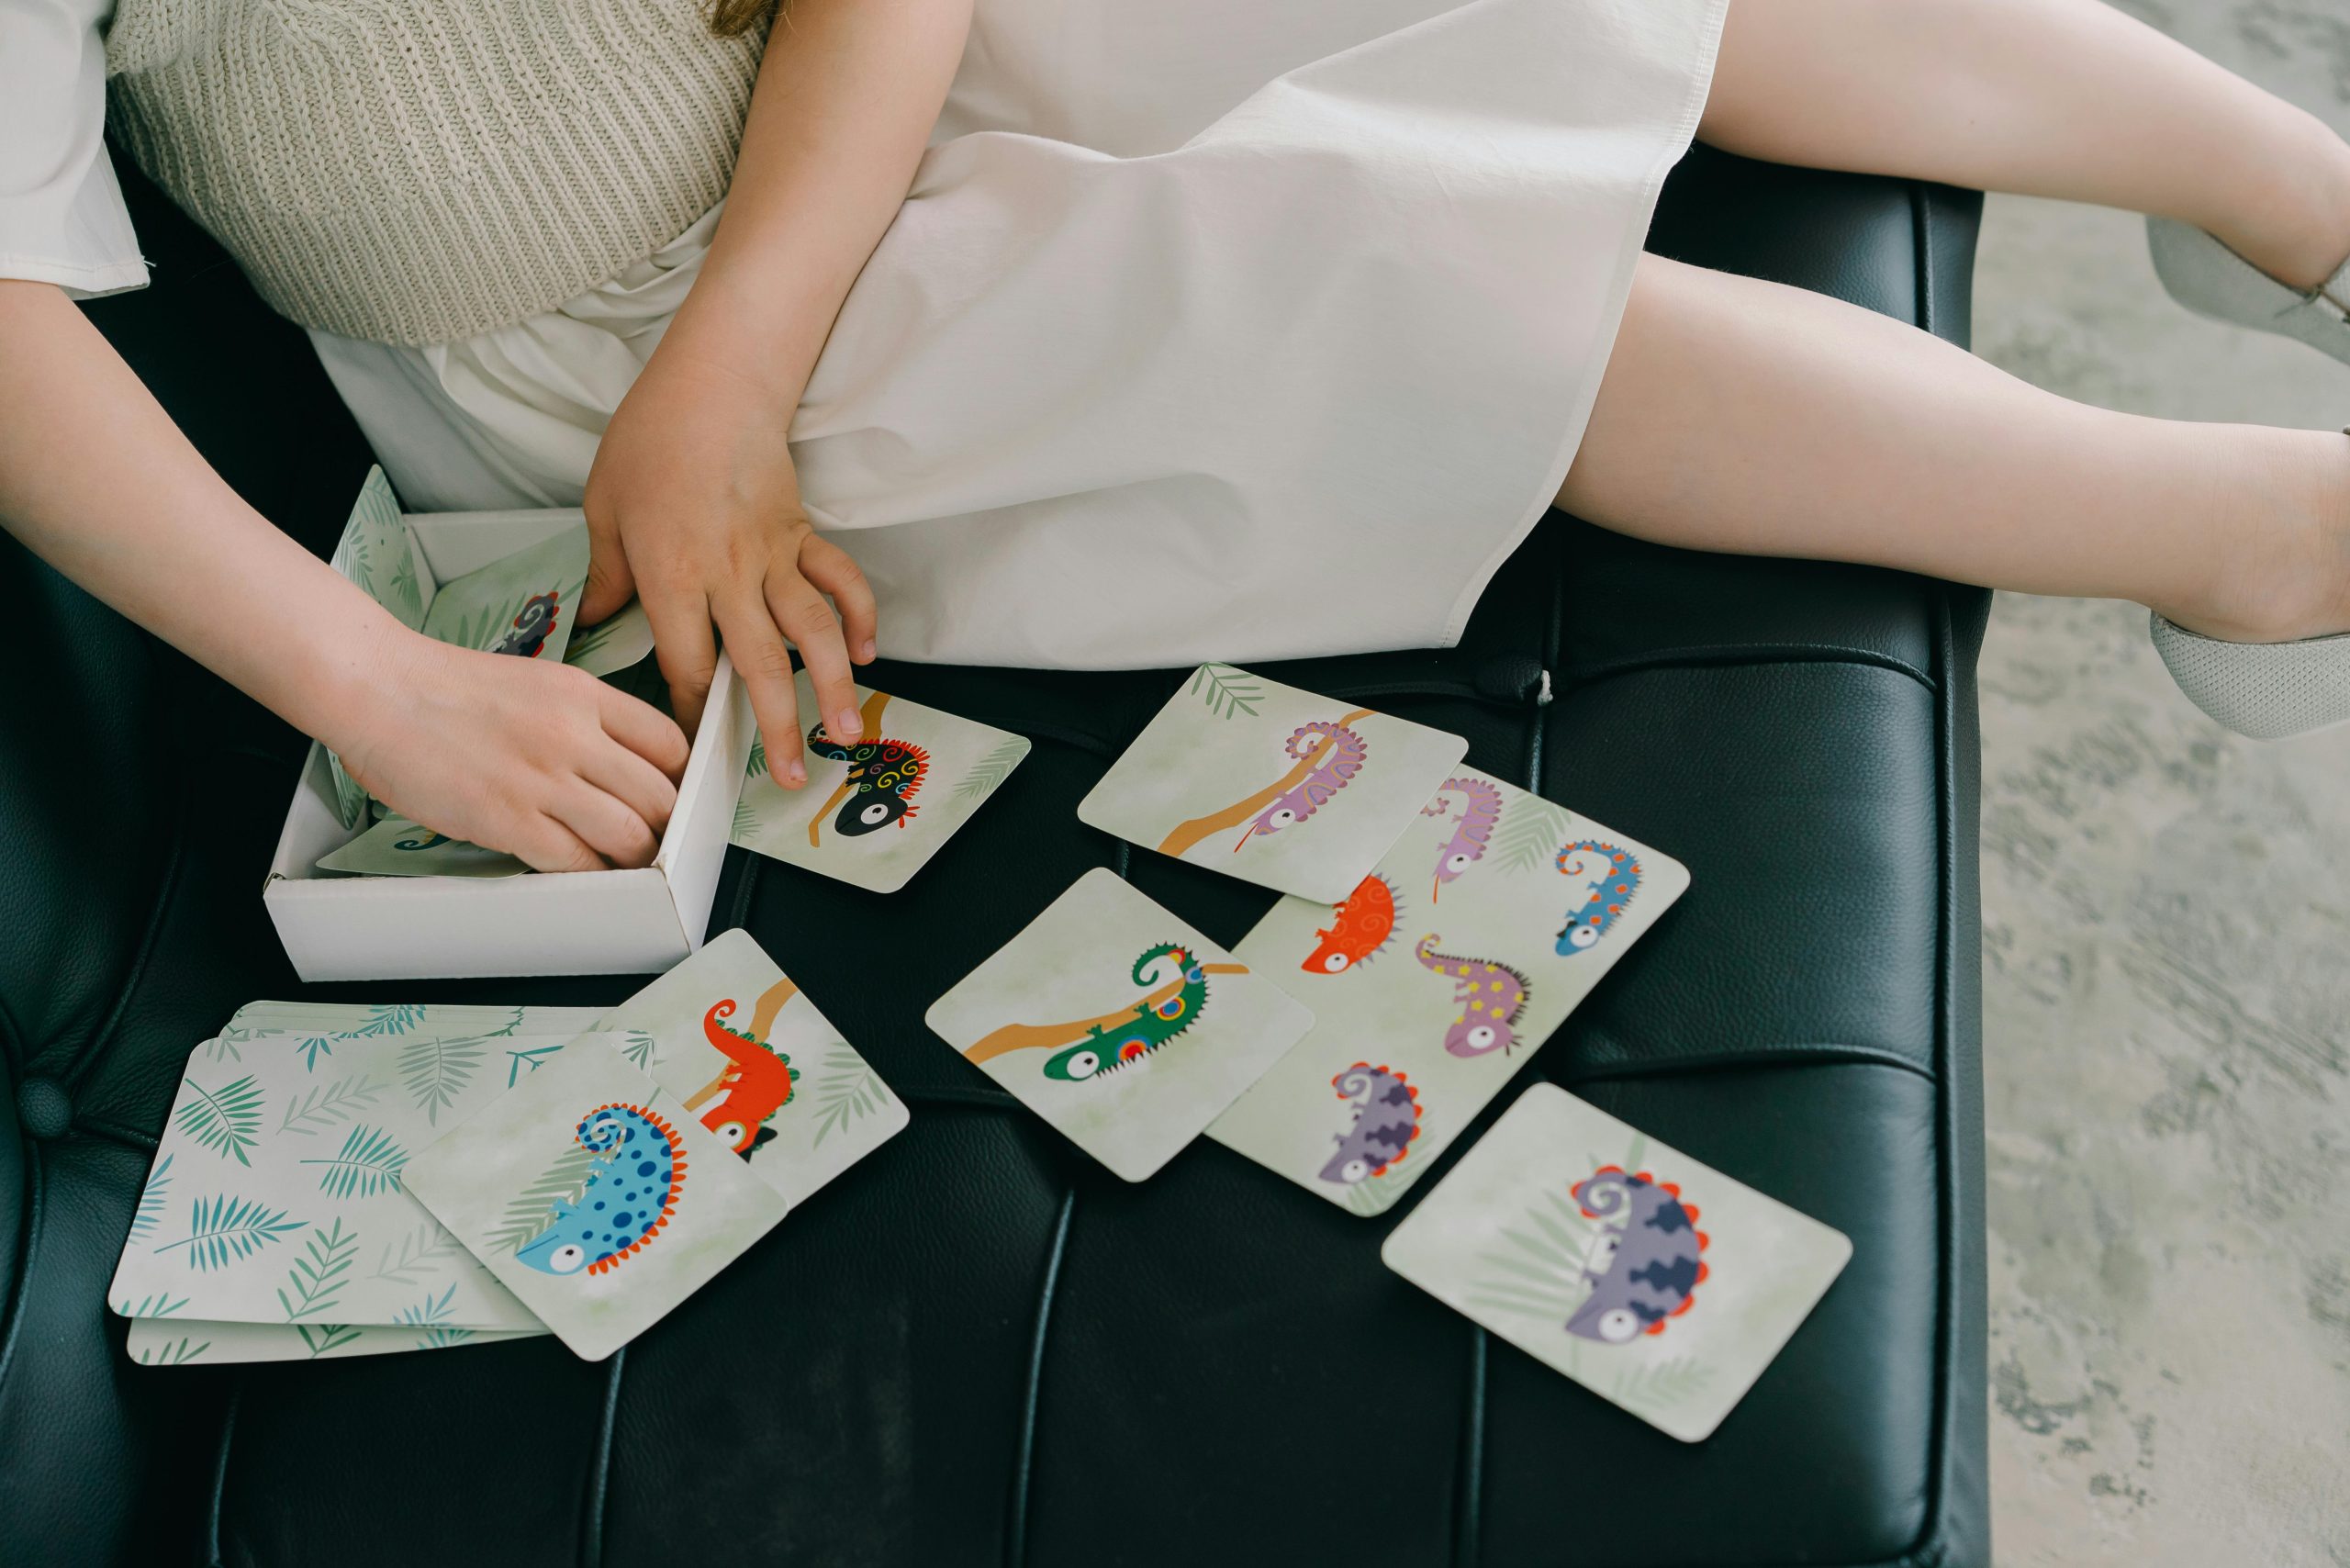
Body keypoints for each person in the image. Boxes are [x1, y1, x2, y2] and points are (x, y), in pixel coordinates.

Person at [6, 0, 2348, 874]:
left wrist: (742, 335)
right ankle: (2243, 529)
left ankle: (2293, 198)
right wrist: (380, 680)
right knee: (1386, 278)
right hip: (595, 346)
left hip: (829, 104)